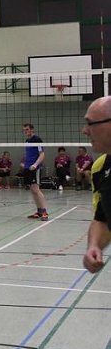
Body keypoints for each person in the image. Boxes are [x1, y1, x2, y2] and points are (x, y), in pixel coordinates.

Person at [81, 96, 111, 273]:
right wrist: (94, 246)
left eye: (90, 123)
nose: (85, 130)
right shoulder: (101, 168)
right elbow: (102, 219)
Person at [23, 123, 49, 221]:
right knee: (32, 190)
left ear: (32, 130)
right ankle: (39, 211)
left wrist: (35, 164)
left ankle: (44, 212)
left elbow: (42, 155)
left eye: (27, 129)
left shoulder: (37, 140)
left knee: (36, 189)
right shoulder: (27, 141)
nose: (25, 131)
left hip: (35, 168)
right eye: (24, 130)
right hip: (27, 167)